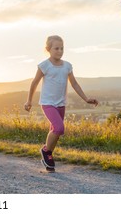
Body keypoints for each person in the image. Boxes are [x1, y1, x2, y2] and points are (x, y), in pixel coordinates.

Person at [24, 35, 98, 172]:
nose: (59, 51)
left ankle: (48, 156)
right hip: (47, 103)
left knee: (55, 131)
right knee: (59, 128)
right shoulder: (44, 65)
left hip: (61, 104)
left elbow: (74, 83)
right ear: (48, 49)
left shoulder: (67, 66)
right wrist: (29, 100)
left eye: (62, 48)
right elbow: (34, 83)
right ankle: (46, 151)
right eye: (56, 48)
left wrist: (86, 99)